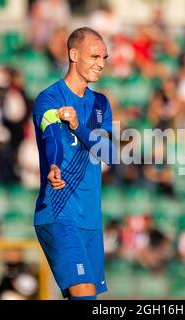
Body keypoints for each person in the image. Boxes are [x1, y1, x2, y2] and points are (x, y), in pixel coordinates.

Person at [33, 27, 115, 300]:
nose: (100, 64)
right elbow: (53, 137)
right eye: (94, 56)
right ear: (73, 54)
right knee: (85, 297)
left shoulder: (101, 103)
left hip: (90, 218)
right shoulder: (50, 98)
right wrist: (53, 165)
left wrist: (79, 126)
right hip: (59, 212)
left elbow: (109, 153)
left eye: (104, 58)